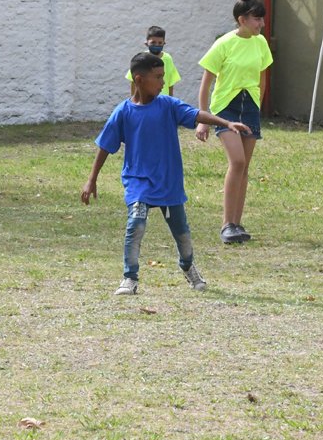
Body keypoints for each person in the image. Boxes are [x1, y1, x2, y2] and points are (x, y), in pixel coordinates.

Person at [83, 52, 251, 295]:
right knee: (136, 224)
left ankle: (188, 266)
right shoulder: (123, 112)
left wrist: (225, 123)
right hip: (138, 182)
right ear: (139, 80)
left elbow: (196, 115)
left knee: (182, 234)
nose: (163, 82)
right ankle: (129, 278)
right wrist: (91, 179)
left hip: (168, 183)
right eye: (158, 77)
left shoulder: (168, 106)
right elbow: (105, 146)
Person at [195, 0, 273, 244]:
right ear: (242, 20)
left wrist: (257, 107)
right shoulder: (224, 43)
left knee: (245, 167)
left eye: (262, 19)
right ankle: (227, 223)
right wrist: (203, 119)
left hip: (249, 107)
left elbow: (262, 76)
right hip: (225, 109)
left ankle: (237, 224)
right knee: (237, 162)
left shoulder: (261, 43)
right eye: (257, 19)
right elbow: (206, 83)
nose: (261, 23)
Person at [125, 25, 181, 96]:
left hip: (163, 102)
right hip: (145, 101)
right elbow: (133, 82)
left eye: (160, 43)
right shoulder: (141, 59)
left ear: (164, 43)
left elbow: (171, 83)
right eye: (153, 42)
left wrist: (170, 102)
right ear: (146, 43)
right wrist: (133, 101)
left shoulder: (168, 59)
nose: (157, 45)